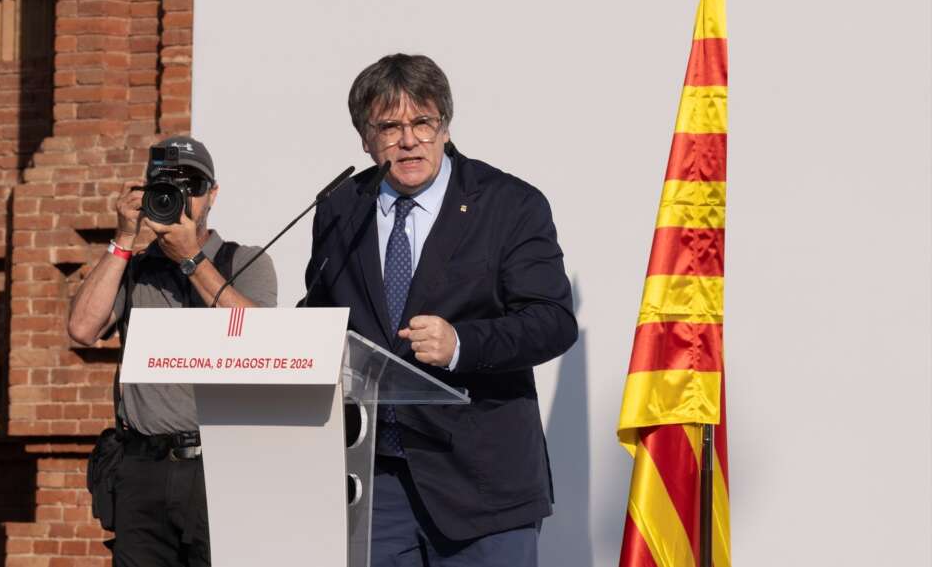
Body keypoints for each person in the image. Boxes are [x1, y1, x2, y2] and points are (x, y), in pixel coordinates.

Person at [304, 54, 577, 566]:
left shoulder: (509, 204)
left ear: (445, 128)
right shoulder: (340, 207)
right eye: (389, 126)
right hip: (376, 481)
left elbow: (552, 321)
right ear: (365, 139)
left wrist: (462, 345)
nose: (408, 140)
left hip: (483, 486)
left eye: (422, 122)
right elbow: (322, 311)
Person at [68, 135, 277, 567]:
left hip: (217, 468)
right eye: (166, 187)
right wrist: (123, 240)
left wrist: (191, 259)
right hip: (140, 468)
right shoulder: (136, 267)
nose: (181, 199)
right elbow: (83, 328)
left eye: (193, 187)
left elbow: (259, 338)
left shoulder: (245, 261)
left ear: (212, 194)